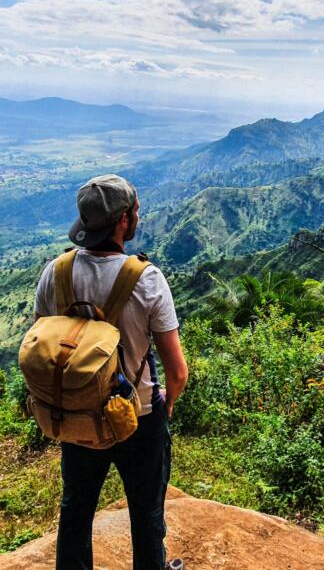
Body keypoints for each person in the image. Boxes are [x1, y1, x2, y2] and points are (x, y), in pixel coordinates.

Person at [33, 174, 189, 570]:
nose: (138, 216)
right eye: (135, 211)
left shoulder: (57, 272)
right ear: (122, 220)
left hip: (78, 418)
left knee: (77, 510)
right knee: (147, 515)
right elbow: (178, 371)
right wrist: (165, 407)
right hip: (139, 417)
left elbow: (42, 341)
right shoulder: (147, 279)